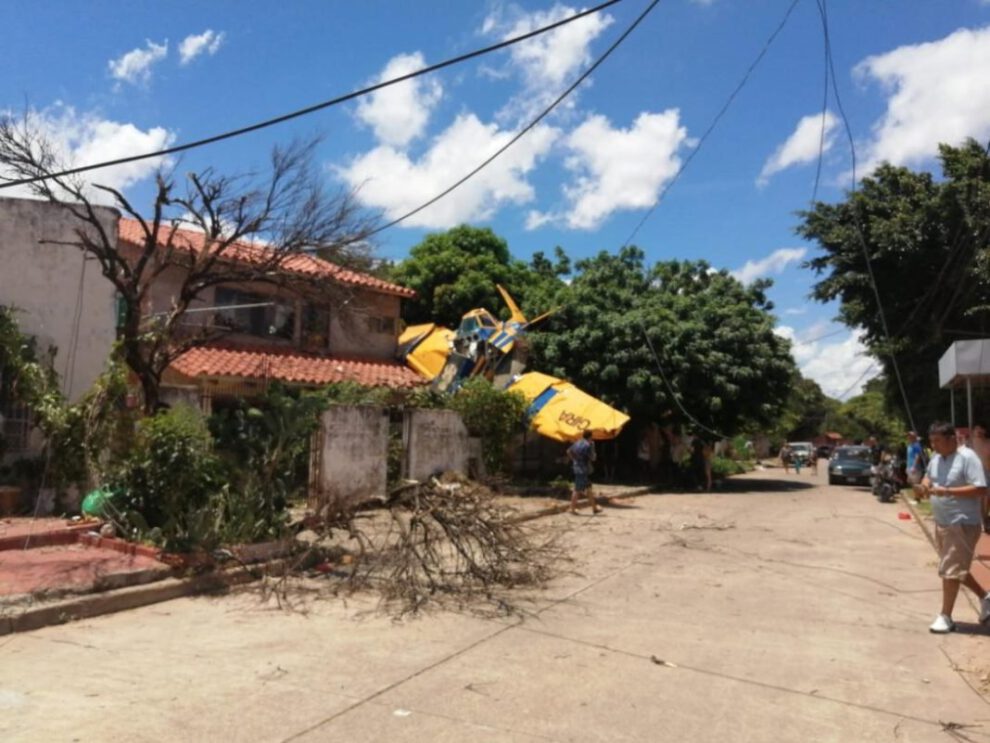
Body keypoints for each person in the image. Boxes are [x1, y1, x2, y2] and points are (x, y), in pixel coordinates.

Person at [915, 421, 990, 633]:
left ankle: (946, 616)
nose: (934, 445)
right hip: (943, 522)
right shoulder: (937, 458)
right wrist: (925, 486)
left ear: (952, 439)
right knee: (956, 568)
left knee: (949, 570)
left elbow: (980, 488)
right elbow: (929, 475)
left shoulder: (967, 457)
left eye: (938, 441)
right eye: (932, 441)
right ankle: (986, 597)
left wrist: (948, 491)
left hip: (963, 522)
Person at [568, 430, 600, 515]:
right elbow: (593, 458)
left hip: (577, 467)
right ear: (590, 437)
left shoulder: (578, 442)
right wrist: (593, 448)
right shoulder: (588, 445)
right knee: (577, 489)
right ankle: (572, 509)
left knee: (588, 488)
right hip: (583, 469)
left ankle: (594, 508)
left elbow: (568, 451)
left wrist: (575, 460)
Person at [970, 423, 990, 533]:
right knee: (978, 499)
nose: (979, 432)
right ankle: (981, 521)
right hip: (975, 474)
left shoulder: (988, 443)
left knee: (986, 499)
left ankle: (985, 519)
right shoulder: (970, 444)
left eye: (981, 429)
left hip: (987, 473)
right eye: (977, 429)